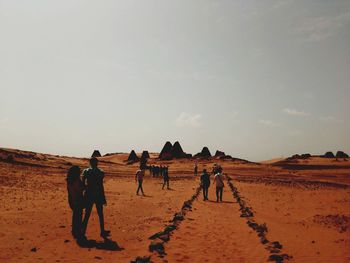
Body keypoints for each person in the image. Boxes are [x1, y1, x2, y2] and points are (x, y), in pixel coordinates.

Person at [82, 158, 110, 238]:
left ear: (90, 163)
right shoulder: (101, 172)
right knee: (100, 214)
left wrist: (86, 191)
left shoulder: (86, 171)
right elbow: (101, 185)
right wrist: (103, 197)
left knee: (87, 214)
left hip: (89, 194)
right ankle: (102, 231)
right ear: (97, 163)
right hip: (98, 194)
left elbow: (83, 184)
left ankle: (83, 231)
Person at [66, 165, 85, 240]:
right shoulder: (76, 180)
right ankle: (77, 231)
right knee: (78, 216)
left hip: (71, 199)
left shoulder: (69, 180)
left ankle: (74, 230)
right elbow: (80, 189)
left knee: (75, 215)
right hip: (77, 200)